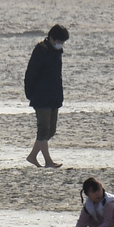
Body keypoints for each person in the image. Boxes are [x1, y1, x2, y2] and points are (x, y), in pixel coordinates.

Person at [24, 24, 69, 168]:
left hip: (54, 95)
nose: (60, 44)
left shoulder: (57, 52)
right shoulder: (40, 50)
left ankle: (32, 156)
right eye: (59, 41)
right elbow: (31, 73)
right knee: (43, 129)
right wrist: (30, 93)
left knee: (51, 130)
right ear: (51, 38)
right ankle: (48, 161)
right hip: (41, 95)